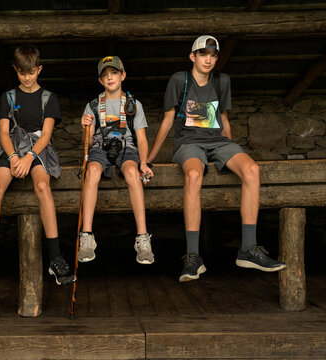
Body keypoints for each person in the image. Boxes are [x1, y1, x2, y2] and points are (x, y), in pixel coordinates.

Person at [148, 35, 286, 282]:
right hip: (188, 144)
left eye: (213, 55)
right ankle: (192, 255)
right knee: (193, 174)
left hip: (218, 142)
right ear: (193, 56)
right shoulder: (181, 80)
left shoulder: (222, 81)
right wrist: (149, 159)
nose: (208, 60)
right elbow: (168, 120)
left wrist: (231, 152)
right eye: (203, 54)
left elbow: (223, 120)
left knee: (252, 169)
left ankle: (248, 248)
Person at [0, 45, 75, 291]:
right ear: (15, 70)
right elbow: (3, 133)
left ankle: (56, 258)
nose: (27, 77)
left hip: (38, 148)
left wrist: (28, 159)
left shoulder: (49, 98)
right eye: (22, 73)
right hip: (12, 147)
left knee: (43, 185)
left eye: (31, 72)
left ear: (39, 69)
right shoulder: (8, 97)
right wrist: (14, 157)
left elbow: (46, 134)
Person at [78, 56, 155, 265]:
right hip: (100, 149)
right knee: (92, 171)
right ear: (100, 80)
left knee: (132, 172)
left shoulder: (133, 104)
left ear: (123, 75)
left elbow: (141, 139)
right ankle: (86, 236)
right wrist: (85, 126)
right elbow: (88, 140)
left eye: (113, 73)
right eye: (105, 75)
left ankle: (142, 238)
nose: (110, 77)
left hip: (126, 149)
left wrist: (144, 162)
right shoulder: (93, 105)